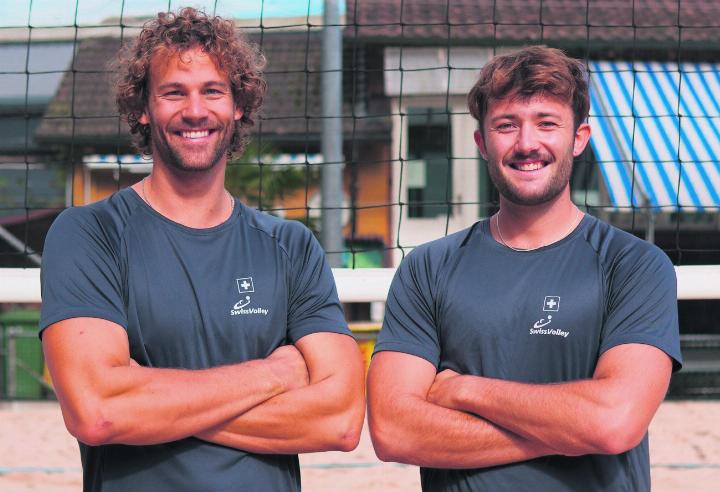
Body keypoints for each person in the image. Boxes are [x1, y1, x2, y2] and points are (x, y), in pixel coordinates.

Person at [40, 8, 364, 492]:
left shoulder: (290, 245)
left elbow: (339, 420)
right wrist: (274, 373)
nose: (195, 110)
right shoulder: (89, 233)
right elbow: (100, 413)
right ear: (144, 108)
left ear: (238, 106)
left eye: (212, 90)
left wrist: (150, 402)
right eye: (174, 92)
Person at [368, 46, 682, 491]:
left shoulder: (634, 265)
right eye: (506, 125)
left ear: (579, 137)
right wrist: (573, 431)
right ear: (481, 143)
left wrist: (464, 390)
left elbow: (614, 422)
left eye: (546, 123)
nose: (527, 143)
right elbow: (394, 430)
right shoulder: (427, 268)